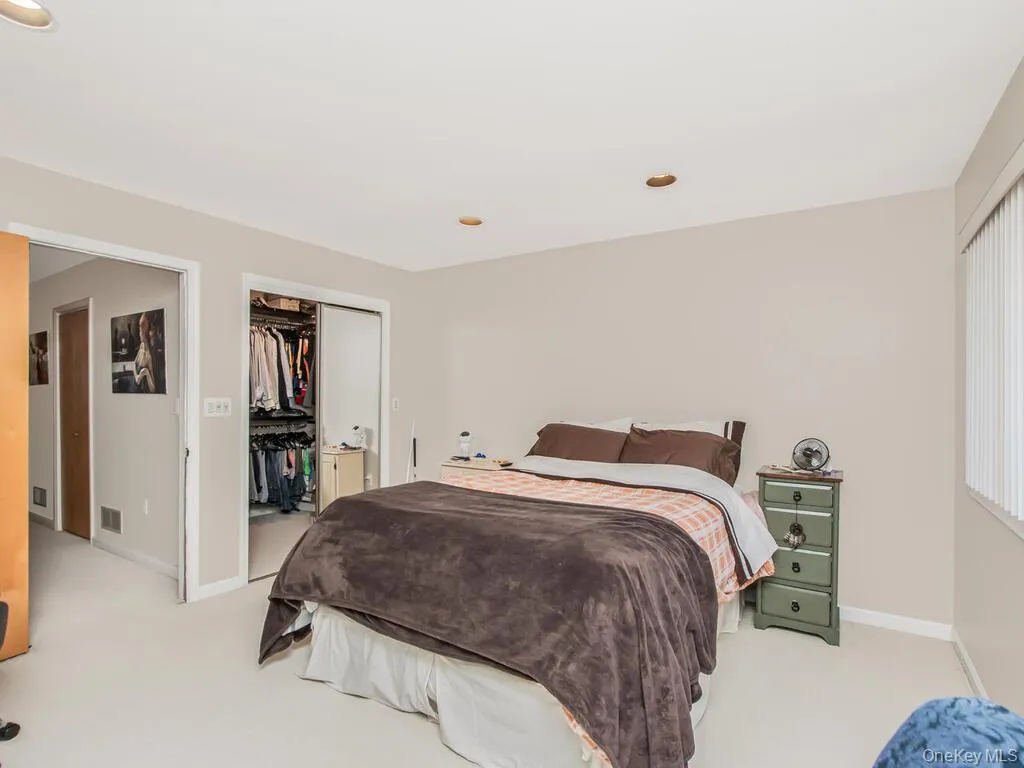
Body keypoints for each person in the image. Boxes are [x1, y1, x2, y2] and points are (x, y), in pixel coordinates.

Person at [132, 312, 157, 394]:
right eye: (140, 327)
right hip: (135, 387)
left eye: (142, 328)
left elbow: (153, 390)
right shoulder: (142, 345)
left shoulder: (150, 355)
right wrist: (138, 377)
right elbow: (133, 363)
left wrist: (146, 373)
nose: (140, 332)